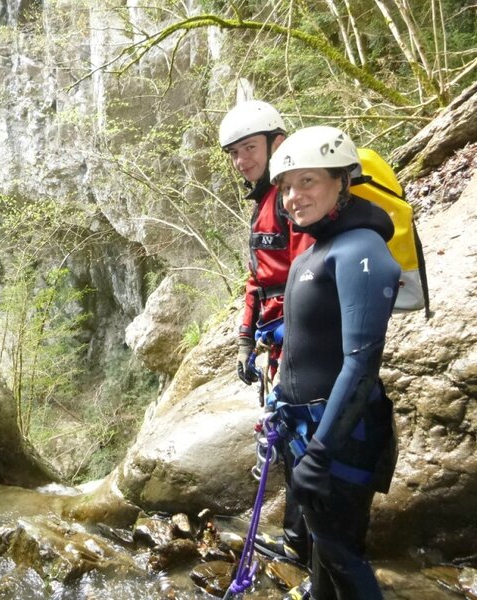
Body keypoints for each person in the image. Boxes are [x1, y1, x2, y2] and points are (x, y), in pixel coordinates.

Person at [269, 126, 400, 599]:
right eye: (286, 186)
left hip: (341, 438)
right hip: (308, 430)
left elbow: (361, 363)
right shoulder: (317, 250)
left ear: (342, 181)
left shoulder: (361, 249)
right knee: (325, 547)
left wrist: (321, 452)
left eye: (307, 181)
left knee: (342, 552)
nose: (293, 197)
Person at [219, 100, 313, 565]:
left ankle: (307, 546)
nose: (242, 161)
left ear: (278, 143)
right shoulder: (263, 205)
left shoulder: (293, 201)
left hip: (303, 340)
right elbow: (257, 278)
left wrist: (294, 341)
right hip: (280, 342)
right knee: (289, 437)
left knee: (300, 437)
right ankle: (300, 540)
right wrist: (244, 340)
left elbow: (307, 273)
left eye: (250, 148)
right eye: (234, 153)